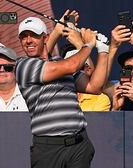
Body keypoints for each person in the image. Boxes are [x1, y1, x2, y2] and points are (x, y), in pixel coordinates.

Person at [15, 16, 107, 168]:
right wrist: (88, 44)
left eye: (34, 36)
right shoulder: (23, 65)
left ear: (45, 38)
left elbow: (95, 87)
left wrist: (103, 51)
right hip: (48, 149)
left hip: (79, 145)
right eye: (24, 37)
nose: (28, 41)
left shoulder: (60, 61)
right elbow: (71, 66)